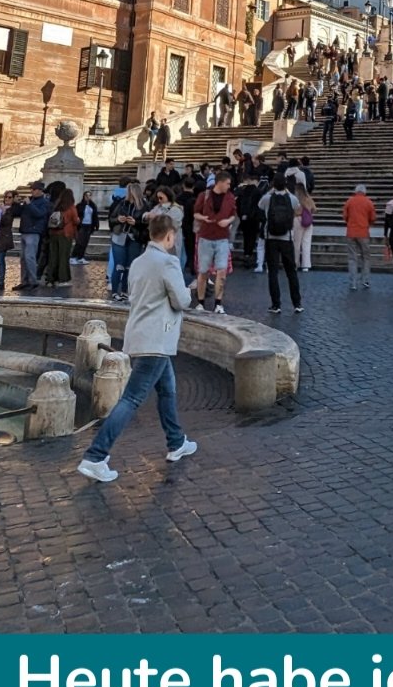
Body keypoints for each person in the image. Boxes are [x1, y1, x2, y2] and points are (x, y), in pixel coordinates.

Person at [77, 213, 197, 483]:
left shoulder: (139, 261)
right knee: (131, 399)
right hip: (157, 339)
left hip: (141, 336)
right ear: (168, 235)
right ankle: (95, 456)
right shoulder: (168, 262)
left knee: (168, 390)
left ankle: (176, 442)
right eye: (173, 236)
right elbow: (180, 301)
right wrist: (189, 290)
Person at [194, 173, 237, 314]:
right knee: (203, 271)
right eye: (228, 183)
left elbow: (233, 215)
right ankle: (201, 302)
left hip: (222, 238)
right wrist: (204, 218)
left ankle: (218, 303)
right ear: (220, 183)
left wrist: (228, 221)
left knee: (222, 271)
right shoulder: (204, 196)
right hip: (206, 237)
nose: (229, 186)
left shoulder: (230, 197)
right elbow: (195, 213)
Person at [259, 173, 302, 313]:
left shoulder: (267, 198)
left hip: (271, 238)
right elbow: (298, 209)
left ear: (273, 184)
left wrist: (271, 191)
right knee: (291, 272)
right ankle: (297, 304)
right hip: (286, 238)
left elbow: (260, 206)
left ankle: (276, 305)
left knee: (273, 272)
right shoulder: (292, 198)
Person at [14, 182, 50, 290]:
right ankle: (24, 281)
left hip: (34, 232)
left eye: (34, 189)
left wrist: (29, 204)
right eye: (32, 189)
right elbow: (19, 213)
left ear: (40, 190)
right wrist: (16, 204)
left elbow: (39, 214)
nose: (32, 191)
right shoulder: (31, 200)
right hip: (25, 230)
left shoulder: (44, 202)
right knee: (23, 258)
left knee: (30, 257)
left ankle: (33, 281)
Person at [42, 186, 78, 288]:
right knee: (63, 257)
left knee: (53, 257)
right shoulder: (71, 207)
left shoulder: (57, 206)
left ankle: (50, 279)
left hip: (54, 233)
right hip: (66, 234)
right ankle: (63, 279)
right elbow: (76, 221)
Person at [343, 183, 376, 290]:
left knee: (352, 258)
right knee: (365, 257)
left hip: (351, 232)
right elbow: (373, 218)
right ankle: (365, 280)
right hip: (363, 232)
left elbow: (345, 216)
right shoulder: (368, 202)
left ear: (355, 191)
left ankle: (353, 282)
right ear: (365, 192)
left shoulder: (349, 201)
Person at [235, 171, 261, 268]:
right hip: (254, 218)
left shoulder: (243, 190)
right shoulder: (258, 191)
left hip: (243, 217)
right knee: (252, 237)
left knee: (246, 237)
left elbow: (238, 203)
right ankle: (249, 255)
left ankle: (246, 254)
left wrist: (241, 215)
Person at [290, 178, 316, 272]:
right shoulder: (308, 198)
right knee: (306, 243)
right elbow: (314, 209)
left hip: (297, 219)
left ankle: (295, 263)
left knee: (296, 244)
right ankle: (306, 265)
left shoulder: (294, 198)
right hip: (308, 221)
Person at [71, 193, 97, 263]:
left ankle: (80, 257)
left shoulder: (93, 206)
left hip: (89, 225)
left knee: (85, 242)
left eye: (90, 195)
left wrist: (96, 225)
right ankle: (73, 256)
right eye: (87, 195)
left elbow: (95, 216)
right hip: (81, 225)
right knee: (79, 242)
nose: (88, 197)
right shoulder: (80, 205)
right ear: (84, 196)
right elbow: (77, 214)